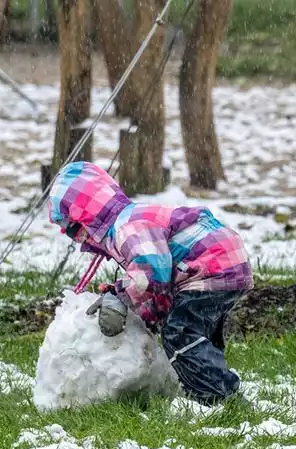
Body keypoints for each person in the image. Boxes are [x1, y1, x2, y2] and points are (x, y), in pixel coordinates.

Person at [47, 161, 254, 405]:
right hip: (224, 262)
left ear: (86, 218)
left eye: (70, 227)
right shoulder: (129, 220)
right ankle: (202, 384)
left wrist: (120, 297)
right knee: (197, 335)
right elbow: (160, 285)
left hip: (209, 267)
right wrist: (151, 316)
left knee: (180, 334)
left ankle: (219, 398)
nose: (71, 235)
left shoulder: (127, 227)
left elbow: (151, 272)